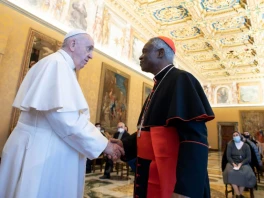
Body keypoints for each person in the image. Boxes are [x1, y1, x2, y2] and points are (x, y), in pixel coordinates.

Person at [0, 29, 124, 198]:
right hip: (39, 152)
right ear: (72, 44)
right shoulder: (57, 65)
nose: (91, 56)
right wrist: (105, 145)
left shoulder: (56, 64)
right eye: (89, 48)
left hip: (38, 146)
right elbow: (67, 120)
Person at [111, 36, 215, 198]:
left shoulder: (182, 79)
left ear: (160, 53)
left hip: (173, 179)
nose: (140, 56)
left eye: (145, 51)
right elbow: (148, 131)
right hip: (150, 172)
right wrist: (124, 145)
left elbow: (194, 139)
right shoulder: (158, 85)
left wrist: (185, 190)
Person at [223, 131, 256, 198]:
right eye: (234, 135)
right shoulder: (230, 145)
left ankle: (239, 194)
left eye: (237, 135)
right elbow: (228, 156)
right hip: (232, 162)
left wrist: (241, 164)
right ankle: (238, 195)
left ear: (240, 136)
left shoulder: (246, 145)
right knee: (230, 172)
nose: (235, 136)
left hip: (244, 163)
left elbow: (248, 158)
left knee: (245, 173)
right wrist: (233, 164)